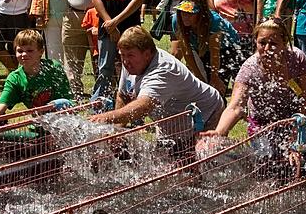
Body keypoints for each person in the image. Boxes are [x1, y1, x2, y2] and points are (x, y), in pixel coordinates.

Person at [202, 17, 306, 170]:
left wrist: (296, 139)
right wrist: (219, 132)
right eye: (262, 43)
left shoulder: (297, 59)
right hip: (264, 123)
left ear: (284, 44)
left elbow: (305, 102)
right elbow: (235, 107)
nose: (267, 48)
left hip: (299, 116)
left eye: (273, 44)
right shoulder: (249, 69)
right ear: (255, 42)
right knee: (266, 161)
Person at [90, 26, 224, 134]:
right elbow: (124, 95)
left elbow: (143, 106)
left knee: (200, 159)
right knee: (169, 159)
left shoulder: (163, 69)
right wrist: (117, 131)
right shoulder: (133, 62)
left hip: (206, 113)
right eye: (122, 55)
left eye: (130, 55)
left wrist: (106, 117)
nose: (125, 61)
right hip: (173, 118)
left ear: (147, 54)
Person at [0, 29, 72, 126]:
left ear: (41, 51)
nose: (24, 54)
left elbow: (67, 100)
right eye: (20, 51)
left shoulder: (53, 68)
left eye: (29, 50)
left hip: (64, 121)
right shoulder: (15, 78)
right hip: (39, 123)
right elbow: (0, 104)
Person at [170, 0, 241, 95]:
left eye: (190, 13)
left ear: (200, 13)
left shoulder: (214, 21)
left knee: (217, 86)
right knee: (201, 84)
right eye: (182, 12)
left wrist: (214, 77)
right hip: (201, 47)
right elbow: (187, 52)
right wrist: (199, 78)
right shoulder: (177, 20)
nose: (185, 16)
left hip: (226, 48)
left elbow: (214, 53)